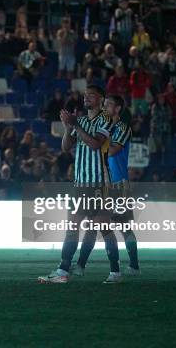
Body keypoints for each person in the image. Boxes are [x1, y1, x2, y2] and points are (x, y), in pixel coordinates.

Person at [38, 85, 121, 284]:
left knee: (104, 227)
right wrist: (68, 129)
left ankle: (115, 271)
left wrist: (75, 125)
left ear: (101, 99)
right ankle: (63, 270)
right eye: (85, 95)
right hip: (80, 183)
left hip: (98, 182)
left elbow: (95, 144)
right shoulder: (81, 121)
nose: (86, 98)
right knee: (72, 227)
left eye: (91, 95)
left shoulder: (105, 119)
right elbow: (66, 148)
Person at [104, 95, 140, 274]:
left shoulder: (122, 128)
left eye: (108, 104)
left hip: (119, 184)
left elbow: (112, 151)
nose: (105, 107)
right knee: (102, 225)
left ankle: (131, 265)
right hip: (104, 184)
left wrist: (96, 143)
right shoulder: (105, 128)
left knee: (123, 226)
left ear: (118, 109)